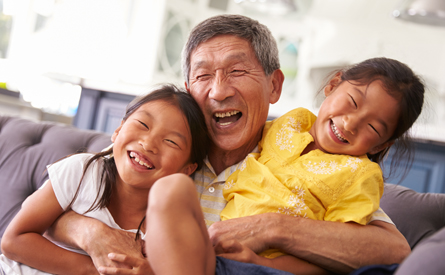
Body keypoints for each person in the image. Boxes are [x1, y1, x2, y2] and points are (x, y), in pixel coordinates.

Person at [45, 14, 411, 274]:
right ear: (189, 91)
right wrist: (91, 232)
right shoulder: (159, 150)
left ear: (274, 86)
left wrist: (272, 228)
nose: (219, 91)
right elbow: (64, 200)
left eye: (237, 71)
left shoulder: (299, 156)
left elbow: (393, 249)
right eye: (203, 75)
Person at [131, 57, 424, 275]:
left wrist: (262, 261)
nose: (349, 123)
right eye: (351, 102)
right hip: (216, 257)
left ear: (380, 145)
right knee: (171, 189)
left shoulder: (359, 176)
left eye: (373, 126)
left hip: (267, 268)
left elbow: (337, 261)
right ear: (333, 85)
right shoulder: (289, 124)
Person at [0, 84, 209, 275]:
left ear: (186, 170)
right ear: (118, 130)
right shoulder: (82, 171)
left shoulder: (167, 228)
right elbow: (13, 240)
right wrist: (94, 270)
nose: (148, 144)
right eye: (143, 124)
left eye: (171, 141)